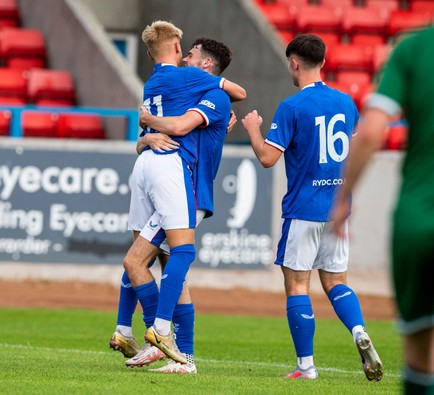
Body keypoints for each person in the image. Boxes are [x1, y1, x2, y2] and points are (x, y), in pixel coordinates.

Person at [241, 34, 383, 381]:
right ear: (322, 61)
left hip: (304, 208)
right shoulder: (346, 103)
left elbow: (267, 158)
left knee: (298, 286)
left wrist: (253, 130)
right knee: (336, 281)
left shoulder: (292, 107)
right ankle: (359, 331)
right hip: (337, 209)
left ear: (294, 63)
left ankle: (306, 368)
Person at [118, 21, 246, 368]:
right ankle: (182, 355)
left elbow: (177, 127)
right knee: (160, 267)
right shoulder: (190, 90)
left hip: (192, 192)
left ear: (205, 65)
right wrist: (145, 137)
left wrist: (149, 121)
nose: (186, 55)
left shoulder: (214, 96)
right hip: (174, 187)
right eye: (184, 50)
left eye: (192, 54)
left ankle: (159, 335)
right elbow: (161, 130)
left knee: (145, 260)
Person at [331, 25, 434, 394]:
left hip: (418, 218)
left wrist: (343, 198)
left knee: (421, 352)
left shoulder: (414, 49)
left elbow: (374, 129)